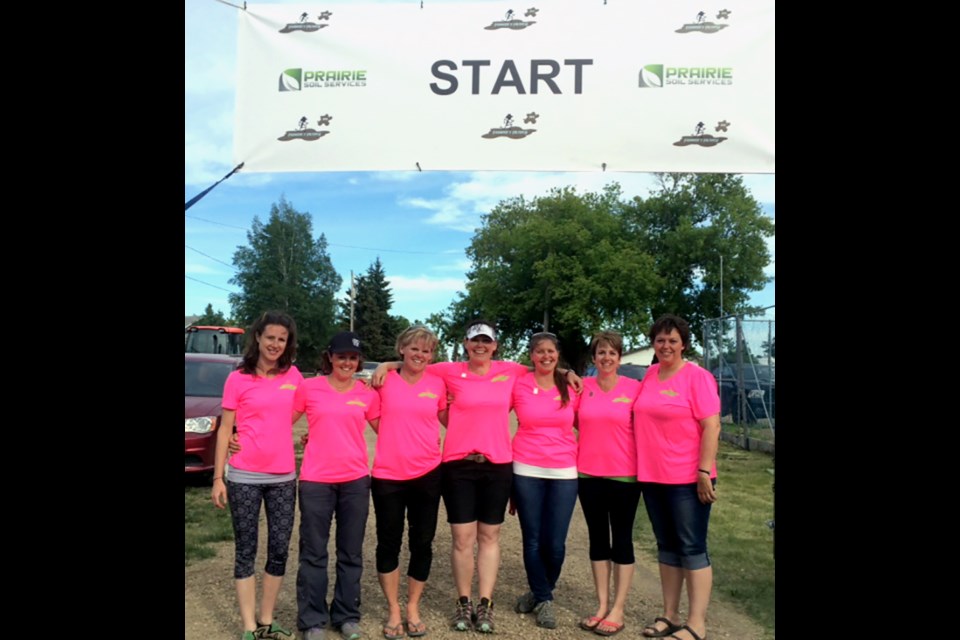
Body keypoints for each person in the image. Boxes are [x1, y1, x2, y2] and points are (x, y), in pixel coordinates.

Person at [373, 320, 582, 633]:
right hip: (458, 464)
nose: (481, 346)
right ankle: (463, 600)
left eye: (486, 341)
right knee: (462, 539)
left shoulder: (510, 370)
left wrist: (567, 372)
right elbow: (414, 361)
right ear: (466, 344)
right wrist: (388, 362)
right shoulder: (446, 370)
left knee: (489, 537)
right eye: (475, 341)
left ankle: (485, 603)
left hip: (497, 464)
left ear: (495, 345)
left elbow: (543, 364)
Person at [211, 311, 303, 640]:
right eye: (270, 337)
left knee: (279, 548)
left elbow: (307, 408)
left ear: (287, 343)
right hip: (243, 476)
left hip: (282, 478)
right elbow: (225, 429)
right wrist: (218, 477)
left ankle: (266, 619)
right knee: (245, 549)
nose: (275, 344)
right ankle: (249, 627)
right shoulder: (238, 377)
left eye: (282, 339)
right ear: (258, 338)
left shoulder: (294, 376)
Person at [633, 315, 720, 640]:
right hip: (653, 476)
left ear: (683, 343)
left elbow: (712, 425)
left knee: (691, 547)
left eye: (672, 340)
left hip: (687, 478)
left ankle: (696, 623)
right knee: (667, 546)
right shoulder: (650, 374)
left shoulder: (697, 377)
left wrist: (703, 471)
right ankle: (669, 615)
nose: (665, 345)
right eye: (660, 340)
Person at [293, 331, 380, 640]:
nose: (347, 362)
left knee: (351, 552)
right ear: (329, 357)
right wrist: (238, 435)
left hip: (355, 480)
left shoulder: (367, 392)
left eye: (353, 357)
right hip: (316, 480)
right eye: (341, 356)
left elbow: (387, 427)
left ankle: (346, 615)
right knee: (314, 552)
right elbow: (280, 420)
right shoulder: (309, 388)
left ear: (359, 362)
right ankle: (312, 619)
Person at [370, 326, 449, 640]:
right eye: (415, 348)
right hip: (388, 475)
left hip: (428, 473)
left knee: (423, 542)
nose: (420, 355)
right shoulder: (383, 380)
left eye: (426, 351)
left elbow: (447, 419)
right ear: (401, 348)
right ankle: (393, 609)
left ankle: (413, 607)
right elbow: (372, 419)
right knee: (388, 542)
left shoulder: (438, 382)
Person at [575, 331, 644, 637]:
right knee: (598, 540)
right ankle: (602, 605)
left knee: (622, 540)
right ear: (594, 358)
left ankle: (619, 608)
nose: (606, 358)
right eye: (601, 353)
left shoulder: (634, 388)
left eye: (612, 353)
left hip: (624, 475)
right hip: (588, 474)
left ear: (620, 358)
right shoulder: (582, 386)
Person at [510, 332, 580, 630]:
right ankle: (544, 598)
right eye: (540, 352)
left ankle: (540, 592)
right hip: (526, 467)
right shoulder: (519, 383)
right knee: (533, 538)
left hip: (564, 470)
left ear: (558, 354)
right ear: (531, 355)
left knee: (555, 543)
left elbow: (589, 422)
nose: (546, 356)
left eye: (551, 351)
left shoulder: (572, 386)